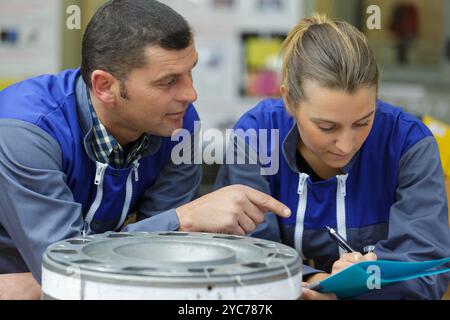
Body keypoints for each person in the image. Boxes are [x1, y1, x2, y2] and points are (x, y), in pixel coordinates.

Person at [0, 0, 290, 299]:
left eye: (190, 71)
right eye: (168, 82)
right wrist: (184, 219)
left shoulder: (179, 125)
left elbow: (160, 263)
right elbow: (69, 274)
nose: (191, 94)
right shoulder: (24, 132)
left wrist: (35, 286)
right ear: (104, 86)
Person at [215, 15, 450, 299]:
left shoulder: (409, 143)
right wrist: (313, 280)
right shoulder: (256, 135)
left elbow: (427, 271)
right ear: (288, 100)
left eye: (364, 122)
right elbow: (240, 253)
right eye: (327, 127)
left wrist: (367, 282)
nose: (346, 144)